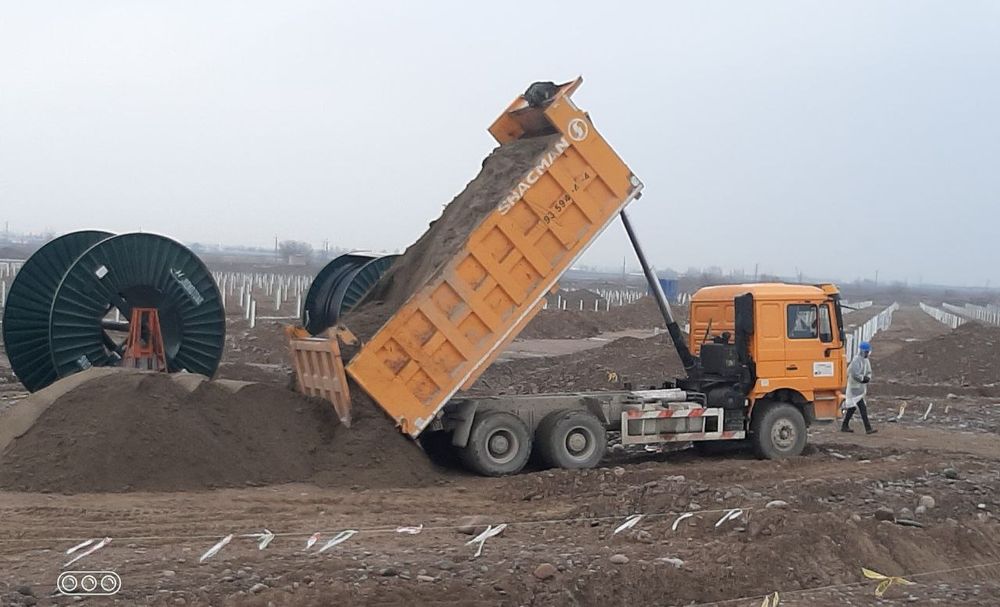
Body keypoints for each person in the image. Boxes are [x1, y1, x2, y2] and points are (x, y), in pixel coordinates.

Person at [842, 341, 877, 434]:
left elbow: (869, 371)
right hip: (854, 388)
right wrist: (862, 379)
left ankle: (844, 425)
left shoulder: (866, 361)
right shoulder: (856, 360)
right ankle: (868, 428)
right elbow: (854, 374)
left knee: (852, 407)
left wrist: (867, 378)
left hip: (860, 389)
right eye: (866, 352)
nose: (867, 353)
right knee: (862, 408)